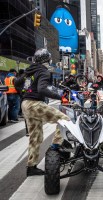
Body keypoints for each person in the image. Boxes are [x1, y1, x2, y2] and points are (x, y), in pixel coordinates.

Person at [14, 48, 70, 176]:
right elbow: (42, 89)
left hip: (25, 104)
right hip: (35, 104)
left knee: (35, 137)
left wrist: (24, 94)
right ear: (46, 60)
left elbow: (17, 83)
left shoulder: (29, 71)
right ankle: (55, 147)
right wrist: (60, 97)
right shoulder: (43, 71)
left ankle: (31, 167)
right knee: (65, 120)